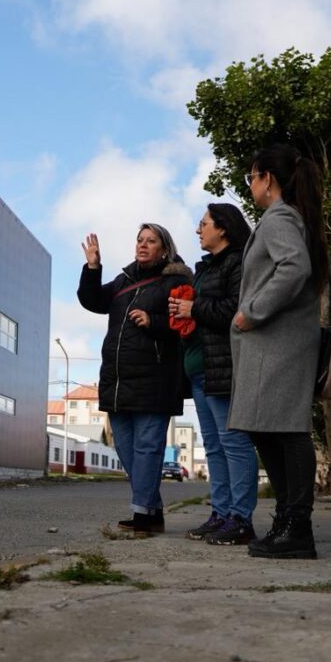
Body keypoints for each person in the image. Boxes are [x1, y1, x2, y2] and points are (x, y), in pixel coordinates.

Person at [227, 144, 329, 559]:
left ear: (267, 178)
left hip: (279, 343)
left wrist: (251, 312)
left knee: (286, 430)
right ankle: (287, 520)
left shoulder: (279, 217)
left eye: (251, 177)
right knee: (265, 428)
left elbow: (294, 267)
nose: (249, 185)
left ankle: (297, 528)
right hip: (273, 345)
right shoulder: (284, 217)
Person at [78, 224, 192, 537]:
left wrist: (153, 320)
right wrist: (93, 268)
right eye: (140, 240)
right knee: (127, 450)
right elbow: (92, 301)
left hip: (155, 379)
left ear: (164, 249)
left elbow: (185, 323)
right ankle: (152, 509)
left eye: (150, 241)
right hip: (118, 379)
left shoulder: (176, 281)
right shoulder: (123, 281)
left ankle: (142, 514)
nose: (142, 245)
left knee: (148, 448)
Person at [169, 204, 258, 545]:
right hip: (199, 368)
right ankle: (221, 514)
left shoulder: (237, 263)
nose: (198, 230)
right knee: (214, 447)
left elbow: (237, 311)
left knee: (234, 443)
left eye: (203, 223)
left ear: (223, 228)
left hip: (223, 367)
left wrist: (193, 308)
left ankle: (241, 518)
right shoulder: (206, 268)